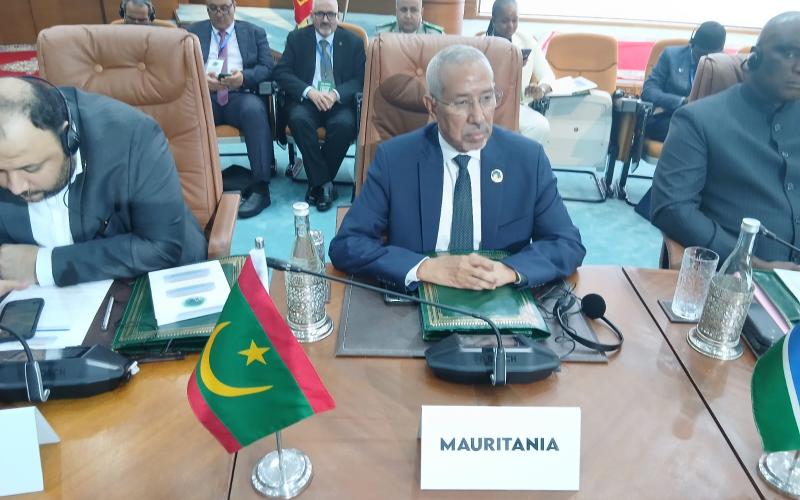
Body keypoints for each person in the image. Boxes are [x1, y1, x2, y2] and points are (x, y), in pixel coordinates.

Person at [329, 45, 585, 291]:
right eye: (462, 103)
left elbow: (566, 243)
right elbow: (348, 244)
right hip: (421, 296)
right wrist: (425, 268)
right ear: (432, 106)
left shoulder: (528, 159)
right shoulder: (395, 159)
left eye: (487, 98)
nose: (478, 117)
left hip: (500, 295)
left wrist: (509, 270)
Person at [0, 77, 207, 287]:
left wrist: (43, 265)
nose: (15, 187)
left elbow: (160, 247)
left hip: (147, 285)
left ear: (68, 138)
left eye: (30, 168)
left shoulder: (134, 136)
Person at [651, 12, 800, 269]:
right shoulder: (699, 120)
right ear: (755, 57)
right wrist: (752, 265)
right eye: (789, 54)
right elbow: (672, 209)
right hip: (734, 280)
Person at [273, 0, 366, 212]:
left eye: (331, 15)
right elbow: (282, 72)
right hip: (307, 101)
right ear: (312, 16)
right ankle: (324, 185)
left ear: (338, 16)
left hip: (339, 102)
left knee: (344, 125)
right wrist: (309, 91)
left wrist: (335, 94)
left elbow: (361, 79)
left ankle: (317, 184)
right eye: (320, 14)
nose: (325, 20)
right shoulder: (297, 38)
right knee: (298, 119)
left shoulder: (353, 42)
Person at [188, 0, 275, 218]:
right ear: (207, 9)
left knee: (254, 111)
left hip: (240, 95)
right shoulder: (192, 33)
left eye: (224, 7)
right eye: (213, 8)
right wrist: (201, 80)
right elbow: (181, 67)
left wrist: (244, 77)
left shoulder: (254, 32)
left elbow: (267, 68)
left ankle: (261, 188)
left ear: (234, 6)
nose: (219, 13)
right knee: (188, 114)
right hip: (206, 96)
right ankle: (196, 185)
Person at [642, 21, 727, 142]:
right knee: (692, 135)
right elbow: (649, 90)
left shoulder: (724, 64)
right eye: (700, 55)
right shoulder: (671, 55)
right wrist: (682, 102)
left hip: (706, 122)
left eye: (709, 57)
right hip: (670, 117)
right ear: (692, 44)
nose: (703, 60)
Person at [485, 0, 554, 143]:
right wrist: (512, 65)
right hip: (489, 104)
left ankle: (518, 157)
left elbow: (548, 75)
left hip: (518, 106)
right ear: (494, 20)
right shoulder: (483, 44)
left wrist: (540, 89)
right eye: (505, 21)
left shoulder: (526, 40)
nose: (511, 26)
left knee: (540, 126)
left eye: (514, 20)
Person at [375, 0, 444, 35]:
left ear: (421, 13)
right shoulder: (382, 35)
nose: (408, 16)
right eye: (403, 10)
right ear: (396, 12)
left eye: (413, 10)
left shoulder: (436, 35)